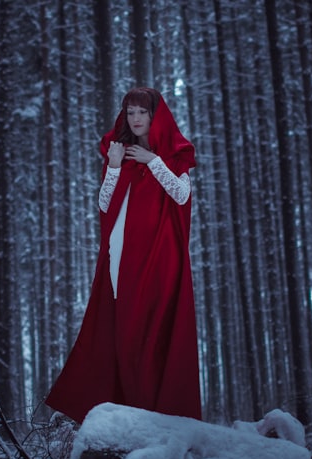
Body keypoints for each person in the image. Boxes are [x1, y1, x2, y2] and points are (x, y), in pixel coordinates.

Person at [45, 87, 201, 423]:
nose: (136, 119)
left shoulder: (174, 153)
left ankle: (160, 415)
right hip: (121, 259)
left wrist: (154, 162)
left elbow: (181, 196)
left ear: (155, 114)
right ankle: (130, 413)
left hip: (160, 260)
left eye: (142, 112)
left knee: (156, 332)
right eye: (130, 112)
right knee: (125, 331)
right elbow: (104, 206)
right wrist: (114, 167)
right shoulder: (119, 153)